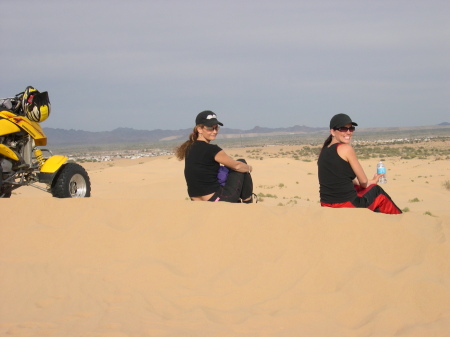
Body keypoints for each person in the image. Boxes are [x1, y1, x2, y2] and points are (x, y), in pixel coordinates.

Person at [317, 113, 402, 214]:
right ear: (332, 131)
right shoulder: (346, 149)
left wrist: (373, 180)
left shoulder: (323, 151)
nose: (348, 132)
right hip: (346, 205)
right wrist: (371, 183)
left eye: (351, 128)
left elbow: (348, 180)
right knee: (377, 191)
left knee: (359, 188)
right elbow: (363, 182)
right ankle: (399, 220)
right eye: (343, 129)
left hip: (326, 204)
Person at [175, 110, 255, 203]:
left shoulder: (189, 148)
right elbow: (237, 166)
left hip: (195, 201)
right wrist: (249, 168)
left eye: (216, 128)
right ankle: (248, 204)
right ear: (199, 129)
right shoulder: (212, 149)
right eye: (210, 128)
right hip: (216, 199)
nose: (214, 131)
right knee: (242, 163)